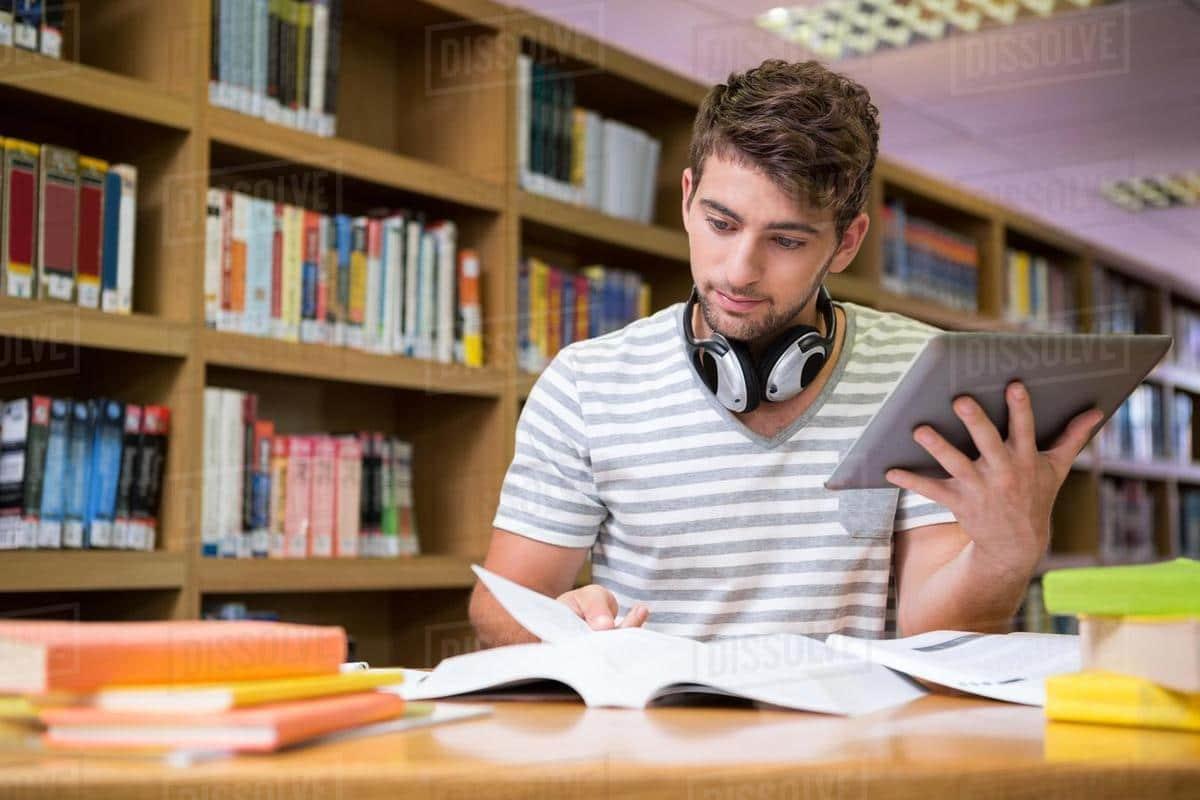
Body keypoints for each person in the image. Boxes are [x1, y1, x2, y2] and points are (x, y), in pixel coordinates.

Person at [469, 59, 1103, 647]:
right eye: (721, 223)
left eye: (787, 240)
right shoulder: (587, 383)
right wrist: (564, 623)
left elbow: (937, 628)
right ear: (688, 197)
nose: (739, 271)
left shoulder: (923, 370)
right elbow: (497, 608)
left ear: (848, 242)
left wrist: (1005, 554)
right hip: (656, 749)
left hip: (857, 751)